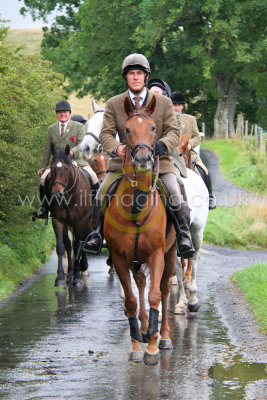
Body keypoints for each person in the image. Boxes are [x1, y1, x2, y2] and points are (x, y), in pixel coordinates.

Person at [85, 53, 195, 258]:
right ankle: (96, 235)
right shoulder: (114, 103)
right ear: (126, 77)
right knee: (101, 193)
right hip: (122, 164)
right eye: (131, 74)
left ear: (146, 76)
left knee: (175, 190)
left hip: (158, 163)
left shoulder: (163, 103)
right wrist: (117, 148)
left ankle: (183, 235)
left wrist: (163, 144)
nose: (135, 77)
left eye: (139, 73)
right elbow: (106, 133)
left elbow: (173, 131)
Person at [33, 100, 99, 219]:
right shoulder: (51, 129)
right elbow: (47, 149)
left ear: (69, 113)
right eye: (60, 112)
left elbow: (81, 144)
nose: (63, 114)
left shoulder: (78, 127)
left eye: (65, 112)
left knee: (94, 177)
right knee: (43, 179)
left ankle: (95, 207)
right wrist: (43, 166)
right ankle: (45, 208)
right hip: (57, 162)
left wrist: (72, 151)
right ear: (57, 114)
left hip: (75, 160)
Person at [170, 90, 216, 209]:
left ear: (183, 106)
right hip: (171, 153)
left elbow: (197, 137)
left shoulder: (190, 119)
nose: (177, 107)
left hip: (188, 152)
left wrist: (190, 143)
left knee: (205, 170)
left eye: (179, 105)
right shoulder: (167, 119)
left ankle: (210, 197)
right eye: (175, 105)